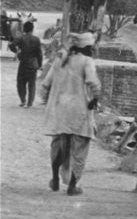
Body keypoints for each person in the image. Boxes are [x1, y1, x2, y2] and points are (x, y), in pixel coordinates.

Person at [38, 31, 101, 196]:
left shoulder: (60, 60)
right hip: (79, 111)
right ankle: (73, 185)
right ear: (87, 47)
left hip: (60, 111)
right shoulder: (87, 61)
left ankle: (55, 179)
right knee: (80, 148)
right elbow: (93, 82)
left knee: (58, 146)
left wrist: (48, 102)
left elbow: (45, 84)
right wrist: (95, 98)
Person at [12, 19, 44, 107]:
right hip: (33, 65)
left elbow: (11, 45)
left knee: (20, 83)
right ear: (32, 29)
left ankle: (23, 100)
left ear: (24, 29)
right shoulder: (36, 39)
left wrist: (17, 52)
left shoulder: (21, 38)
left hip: (23, 64)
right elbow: (39, 54)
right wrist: (40, 64)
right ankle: (30, 103)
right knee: (32, 84)